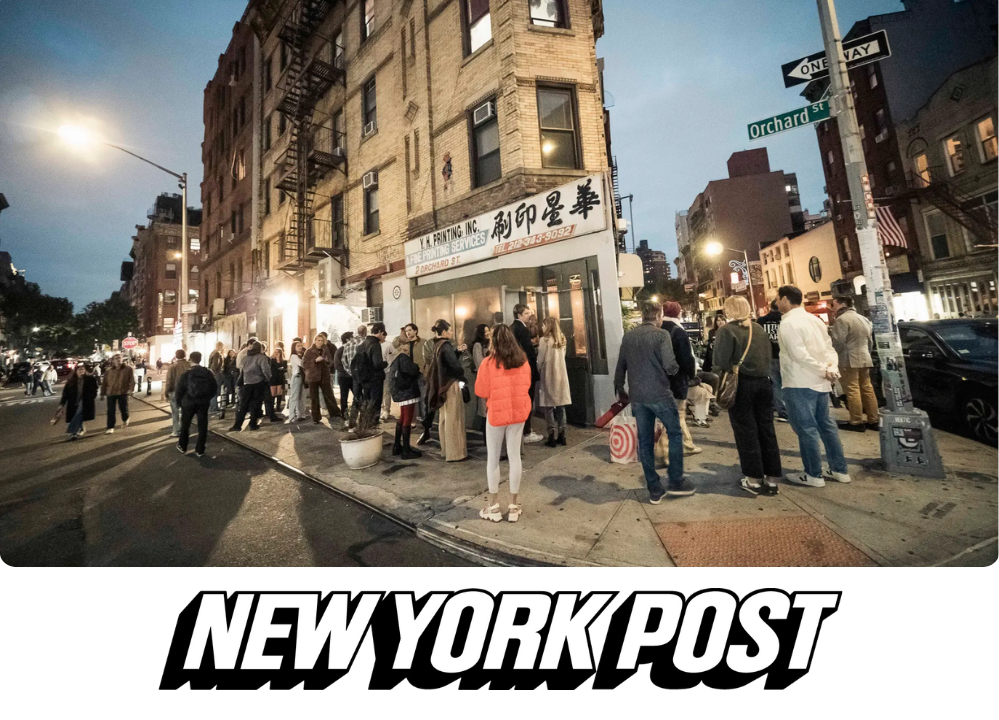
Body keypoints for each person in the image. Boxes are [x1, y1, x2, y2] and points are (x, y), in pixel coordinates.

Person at [614, 300, 695, 502]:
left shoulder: (629, 337)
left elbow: (620, 366)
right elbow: (670, 366)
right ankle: (676, 479)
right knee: (675, 433)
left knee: (645, 440)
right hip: (660, 394)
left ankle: (654, 487)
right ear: (658, 316)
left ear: (643, 315)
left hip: (638, 397)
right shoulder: (662, 335)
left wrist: (620, 389)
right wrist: (678, 372)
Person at [777, 285, 851, 488]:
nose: (776, 303)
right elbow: (829, 348)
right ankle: (839, 469)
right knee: (827, 427)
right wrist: (830, 368)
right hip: (821, 382)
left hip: (800, 381)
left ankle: (813, 474)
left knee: (806, 428)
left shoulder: (789, 324)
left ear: (785, 299)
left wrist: (823, 369)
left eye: (778, 299)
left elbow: (798, 355)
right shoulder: (815, 321)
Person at [712, 296, 782, 496]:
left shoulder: (726, 331)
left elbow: (720, 362)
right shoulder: (758, 329)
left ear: (729, 310)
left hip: (742, 385)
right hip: (764, 383)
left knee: (746, 431)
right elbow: (768, 355)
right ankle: (772, 478)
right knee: (766, 429)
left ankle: (754, 479)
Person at [475, 323, 532, 522]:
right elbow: (527, 385)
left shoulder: (488, 363)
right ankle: (514, 506)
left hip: (497, 415)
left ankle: (493, 506)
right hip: (518, 414)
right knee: (515, 456)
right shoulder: (523, 361)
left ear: (494, 341)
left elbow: (481, 391)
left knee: (493, 458)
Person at [659, 301, 704, 460]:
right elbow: (687, 360)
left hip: (660, 381)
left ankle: (687, 444)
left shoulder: (658, 329)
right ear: (676, 313)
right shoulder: (678, 332)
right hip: (677, 382)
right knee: (676, 415)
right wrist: (692, 375)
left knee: (677, 415)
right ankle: (668, 452)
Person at [829, 295, 879, 432]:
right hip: (864, 357)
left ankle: (856, 421)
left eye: (833, 305)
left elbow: (838, 341)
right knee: (867, 388)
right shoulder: (863, 319)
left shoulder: (842, 320)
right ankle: (873, 419)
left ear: (841, 304)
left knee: (852, 389)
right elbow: (870, 341)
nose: (832, 308)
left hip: (849, 359)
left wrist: (834, 356)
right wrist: (867, 353)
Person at [425, 319, 468, 462]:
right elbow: (455, 367)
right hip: (450, 385)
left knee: (445, 419)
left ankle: (446, 450)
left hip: (442, 386)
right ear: (443, 332)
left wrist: (457, 352)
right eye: (449, 330)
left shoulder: (437, 345)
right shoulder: (446, 346)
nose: (451, 333)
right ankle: (455, 453)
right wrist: (463, 377)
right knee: (453, 419)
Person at [175, 351, 218, 457]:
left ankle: (183, 446)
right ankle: (200, 449)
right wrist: (207, 397)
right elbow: (214, 387)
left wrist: (179, 402)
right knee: (202, 425)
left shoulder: (187, 373)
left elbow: (180, 389)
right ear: (200, 359)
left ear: (190, 360)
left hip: (188, 402)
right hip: (203, 402)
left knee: (185, 425)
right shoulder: (208, 372)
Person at [537, 316, 571, 448]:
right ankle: (563, 434)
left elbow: (540, 359)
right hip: (561, 375)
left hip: (549, 375)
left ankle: (551, 435)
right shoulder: (562, 339)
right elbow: (563, 356)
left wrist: (539, 368)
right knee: (561, 406)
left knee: (548, 406)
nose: (542, 327)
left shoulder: (544, 340)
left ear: (548, 326)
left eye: (544, 325)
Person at [512, 304, 544, 444]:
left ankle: (523, 430)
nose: (528, 316)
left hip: (517, 370)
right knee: (527, 400)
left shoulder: (512, 328)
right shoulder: (522, 329)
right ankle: (526, 431)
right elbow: (528, 350)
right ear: (519, 315)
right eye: (525, 314)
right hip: (526, 370)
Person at [388, 337, 423, 459]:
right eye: (406, 348)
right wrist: (416, 366)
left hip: (400, 392)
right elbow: (413, 370)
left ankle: (397, 446)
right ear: (401, 348)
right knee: (407, 420)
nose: (408, 350)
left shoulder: (395, 360)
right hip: (407, 392)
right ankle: (406, 450)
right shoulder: (403, 358)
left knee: (402, 418)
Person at [351, 322, 389, 426]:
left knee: (366, 401)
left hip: (364, 379)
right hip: (375, 379)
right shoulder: (375, 344)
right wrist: (385, 363)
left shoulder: (362, 344)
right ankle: (373, 424)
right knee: (375, 402)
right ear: (380, 332)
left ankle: (364, 423)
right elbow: (377, 364)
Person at [229, 341, 271, 432]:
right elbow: (266, 370)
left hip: (247, 383)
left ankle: (237, 425)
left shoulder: (246, 357)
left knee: (244, 404)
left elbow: (242, 369)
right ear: (260, 348)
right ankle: (253, 424)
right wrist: (267, 378)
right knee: (255, 404)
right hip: (258, 382)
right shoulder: (261, 357)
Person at [758, 300, 788, 422]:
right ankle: (788, 409)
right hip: (785, 355)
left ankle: (781, 410)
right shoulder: (785, 320)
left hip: (769, 355)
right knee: (787, 383)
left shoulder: (761, 321)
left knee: (776, 384)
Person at [52, 364, 99, 440]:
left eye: (83, 369)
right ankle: (80, 429)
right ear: (76, 371)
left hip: (85, 401)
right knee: (77, 415)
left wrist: (92, 396)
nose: (81, 371)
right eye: (79, 370)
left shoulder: (90, 378)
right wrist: (62, 404)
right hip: (73, 401)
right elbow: (65, 393)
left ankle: (73, 432)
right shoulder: (71, 380)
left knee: (78, 414)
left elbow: (95, 388)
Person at [303, 334, 341, 425]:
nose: (320, 342)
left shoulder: (325, 349)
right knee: (314, 398)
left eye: (322, 340)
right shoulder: (309, 351)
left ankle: (335, 413)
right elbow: (304, 364)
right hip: (313, 377)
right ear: (315, 341)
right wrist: (315, 361)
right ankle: (316, 417)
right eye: (318, 340)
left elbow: (330, 361)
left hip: (324, 376)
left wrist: (327, 360)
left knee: (329, 394)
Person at [100, 353, 134, 435]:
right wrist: (102, 393)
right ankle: (110, 427)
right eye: (116, 358)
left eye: (119, 358)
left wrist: (130, 390)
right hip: (111, 393)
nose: (118, 360)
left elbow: (132, 380)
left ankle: (125, 418)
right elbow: (104, 382)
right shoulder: (108, 371)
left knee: (123, 409)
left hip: (123, 392)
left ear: (122, 359)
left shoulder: (128, 369)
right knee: (110, 411)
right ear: (113, 360)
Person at [164, 349, 191, 438]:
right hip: (187, 391)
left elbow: (169, 380)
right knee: (186, 411)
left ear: (176, 356)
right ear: (184, 355)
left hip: (175, 391)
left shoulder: (173, 366)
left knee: (175, 411)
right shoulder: (189, 365)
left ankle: (176, 430)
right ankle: (185, 430)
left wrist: (166, 392)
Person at [469, 324, 491, 435]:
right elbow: (480, 364)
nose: (487, 333)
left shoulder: (490, 344)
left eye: (488, 331)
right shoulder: (478, 345)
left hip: (491, 380)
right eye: (485, 332)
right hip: (484, 379)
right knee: (484, 409)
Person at [286, 340, 309, 423]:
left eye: (301, 345)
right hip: (297, 376)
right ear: (294, 348)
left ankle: (301, 414)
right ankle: (291, 416)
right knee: (294, 397)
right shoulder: (294, 356)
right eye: (298, 346)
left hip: (302, 377)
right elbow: (302, 364)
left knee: (302, 396)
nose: (300, 347)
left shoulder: (301, 355)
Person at [381, 329, 402, 422]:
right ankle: (381, 409)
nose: (383, 337)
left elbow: (395, 354)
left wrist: (390, 363)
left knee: (387, 391)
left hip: (387, 371)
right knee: (380, 391)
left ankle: (386, 410)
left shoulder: (388, 345)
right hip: (377, 371)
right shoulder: (375, 344)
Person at [334, 332, 354, 419]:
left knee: (346, 396)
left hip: (345, 376)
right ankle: (345, 414)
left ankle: (346, 414)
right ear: (347, 339)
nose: (353, 339)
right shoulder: (342, 350)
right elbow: (338, 365)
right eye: (352, 337)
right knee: (346, 396)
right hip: (345, 377)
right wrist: (349, 372)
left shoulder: (341, 350)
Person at [269, 343, 288, 416]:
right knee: (273, 392)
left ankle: (278, 406)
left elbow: (285, 369)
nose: (276, 354)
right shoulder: (271, 360)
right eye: (275, 352)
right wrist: (276, 361)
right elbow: (272, 369)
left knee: (279, 392)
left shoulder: (284, 361)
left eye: (278, 352)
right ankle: (272, 406)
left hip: (280, 377)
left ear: (281, 353)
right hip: (273, 377)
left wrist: (281, 368)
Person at [208, 341, 225, 416]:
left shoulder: (213, 352)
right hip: (216, 375)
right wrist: (214, 373)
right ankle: (213, 407)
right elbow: (215, 364)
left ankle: (213, 407)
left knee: (213, 391)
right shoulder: (217, 354)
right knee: (215, 391)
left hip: (213, 374)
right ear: (220, 346)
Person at [221, 349, 239, 415]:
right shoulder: (226, 359)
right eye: (230, 352)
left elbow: (236, 366)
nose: (231, 354)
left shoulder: (236, 359)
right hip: (228, 375)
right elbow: (224, 367)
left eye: (232, 352)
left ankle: (233, 402)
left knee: (234, 388)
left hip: (234, 375)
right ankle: (227, 402)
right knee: (228, 388)